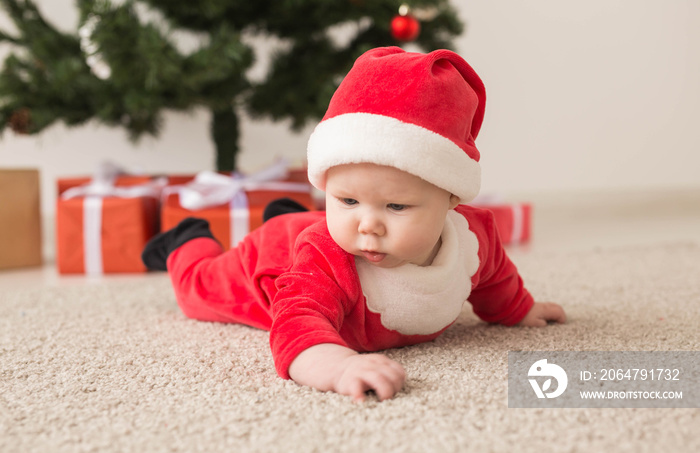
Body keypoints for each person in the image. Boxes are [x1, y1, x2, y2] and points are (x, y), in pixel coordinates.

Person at [142, 47, 566, 402]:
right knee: (200, 289)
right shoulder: (328, 256)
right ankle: (188, 238)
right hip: (273, 263)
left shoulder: (475, 237)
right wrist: (337, 365)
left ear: (452, 197)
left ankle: (295, 212)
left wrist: (518, 309)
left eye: (397, 206)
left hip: (312, 228)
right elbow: (296, 320)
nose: (369, 226)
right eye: (346, 199)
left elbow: (494, 278)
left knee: (325, 222)